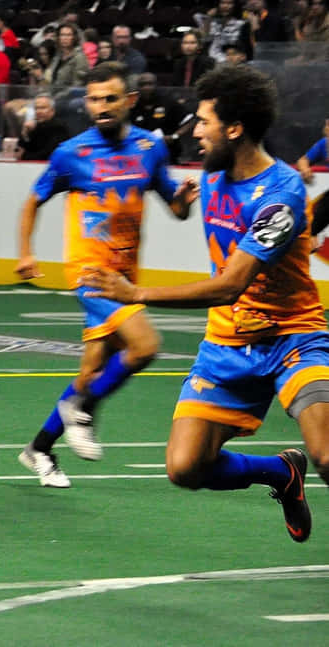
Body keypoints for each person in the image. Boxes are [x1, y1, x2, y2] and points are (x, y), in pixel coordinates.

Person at [80, 64, 328, 543]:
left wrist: (137, 293)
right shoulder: (212, 178)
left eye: (204, 122)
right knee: (186, 467)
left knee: (328, 455)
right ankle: (282, 474)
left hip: (293, 337)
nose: (194, 131)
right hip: (227, 343)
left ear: (234, 130)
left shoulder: (282, 194)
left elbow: (230, 284)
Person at [14, 62, 197, 487]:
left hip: (126, 275)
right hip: (91, 274)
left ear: (130, 100)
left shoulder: (150, 148)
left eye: (110, 98)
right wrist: (25, 253)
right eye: (94, 99)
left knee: (90, 371)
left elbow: (174, 207)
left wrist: (185, 201)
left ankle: (39, 448)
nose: (101, 106)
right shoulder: (71, 153)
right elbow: (33, 200)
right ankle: (83, 409)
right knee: (146, 346)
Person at [130, 72, 195, 162]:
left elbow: (190, 120)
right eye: (142, 84)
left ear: (156, 85)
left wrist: (174, 136)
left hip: (169, 154)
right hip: (141, 155)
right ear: (138, 87)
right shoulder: (133, 106)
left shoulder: (168, 101)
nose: (146, 87)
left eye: (150, 84)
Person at [17, 93, 69, 161]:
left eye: (42, 108)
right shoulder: (35, 125)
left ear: (52, 111)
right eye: (36, 108)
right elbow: (20, 149)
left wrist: (23, 156)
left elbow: (48, 155)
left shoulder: (59, 128)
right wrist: (25, 133)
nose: (38, 111)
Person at [296, 116, 329, 184]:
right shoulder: (323, 143)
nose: (326, 128)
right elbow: (303, 160)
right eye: (326, 125)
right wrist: (305, 169)